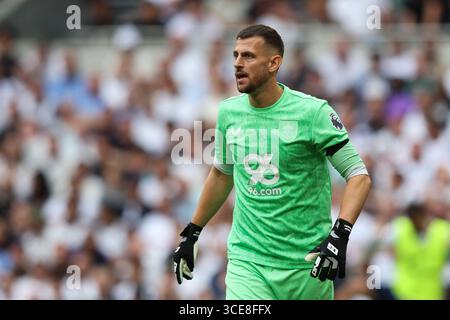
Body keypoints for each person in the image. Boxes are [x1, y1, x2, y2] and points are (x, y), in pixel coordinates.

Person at [173, 24, 372, 300]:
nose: (238, 64)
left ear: (274, 63)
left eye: (248, 56)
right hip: (248, 262)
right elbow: (221, 175)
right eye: (235, 56)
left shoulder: (313, 113)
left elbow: (358, 175)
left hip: (304, 265)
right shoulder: (229, 112)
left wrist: (340, 235)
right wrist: (192, 232)